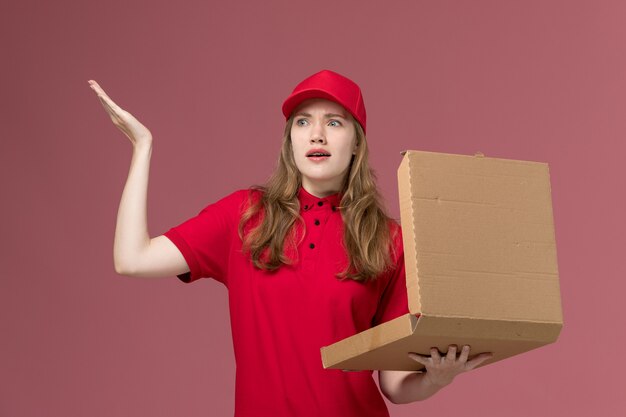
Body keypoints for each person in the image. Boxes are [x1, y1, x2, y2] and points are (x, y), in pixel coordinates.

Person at [88, 70, 492, 417]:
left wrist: (437, 378)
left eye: (334, 122)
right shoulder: (244, 216)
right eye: (302, 122)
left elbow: (394, 384)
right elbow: (132, 258)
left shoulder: (389, 240)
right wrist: (142, 148)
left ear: (356, 142)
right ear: (290, 140)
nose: (316, 133)